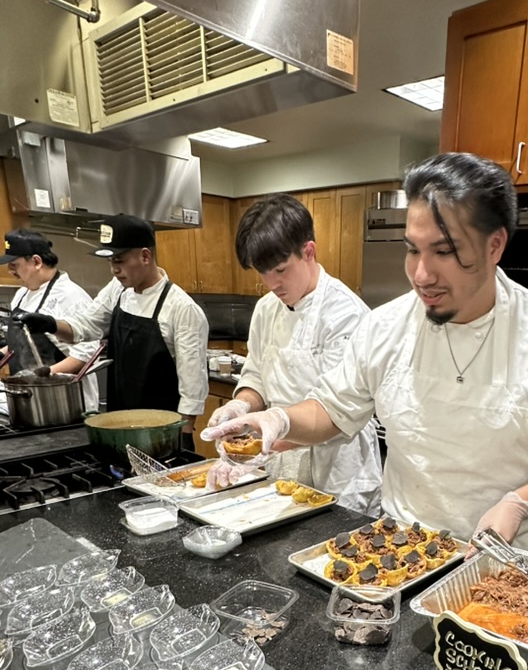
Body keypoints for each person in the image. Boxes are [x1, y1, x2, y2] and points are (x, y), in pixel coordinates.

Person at [202, 152, 528, 549]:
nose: (421, 274)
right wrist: (274, 419)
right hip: (401, 544)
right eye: (412, 249)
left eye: (445, 251)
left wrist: (520, 502)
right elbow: (331, 411)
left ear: (495, 245)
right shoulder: (385, 327)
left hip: (502, 557)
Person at [206, 194, 382, 513]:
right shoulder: (266, 308)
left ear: (308, 251)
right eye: (262, 273)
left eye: (280, 270)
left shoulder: (346, 314)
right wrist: (240, 405)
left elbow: (334, 412)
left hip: (338, 470)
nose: (272, 284)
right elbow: (257, 375)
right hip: (280, 463)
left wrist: (269, 433)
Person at [9, 215, 208, 450]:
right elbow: (86, 326)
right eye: (110, 261)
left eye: (120, 260)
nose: (114, 269)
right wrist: (50, 324)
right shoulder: (119, 290)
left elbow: (192, 385)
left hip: (162, 431)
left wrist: (182, 436)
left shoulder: (182, 309)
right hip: (120, 420)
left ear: (145, 256)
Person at [1, 229, 100, 411]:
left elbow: (87, 354)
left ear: (37, 262)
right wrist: (3, 353)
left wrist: (39, 376)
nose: (9, 270)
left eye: (14, 265)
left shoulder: (70, 296)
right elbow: (25, 342)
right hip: (31, 396)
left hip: (65, 400)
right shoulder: (23, 294)